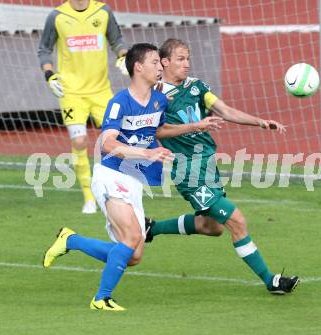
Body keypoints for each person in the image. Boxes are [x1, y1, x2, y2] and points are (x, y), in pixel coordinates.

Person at [42, 43, 223, 311]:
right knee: (131, 237)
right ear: (138, 67)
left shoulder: (159, 100)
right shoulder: (119, 102)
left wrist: (194, 126)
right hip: (111, 174)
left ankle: (71, 240)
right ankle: (101, 299)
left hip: (134, 181)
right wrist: (145, 154)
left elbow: (159, 130)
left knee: (134, 255)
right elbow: (108, 143)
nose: (159, 67)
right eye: (154, 62)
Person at [148, 38, 299, 295]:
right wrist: (196, 126)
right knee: (236, 220)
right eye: (181, 59)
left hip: (208, 166)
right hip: (188, 171)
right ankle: (271, 280)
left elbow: (225, 110)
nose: (187, 64)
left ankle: (151, 228)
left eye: (188, 58)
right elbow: (159, 132)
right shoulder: (156, 96)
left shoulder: (197, 87)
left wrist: (260, 122)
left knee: (212, 227)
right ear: (165, 62)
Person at [37, 0, 128, 214]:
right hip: (71, 93)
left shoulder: (103, 11)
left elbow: (117, 40)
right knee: (79, 141)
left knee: (117, 140)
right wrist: (49, 74)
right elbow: (44, 50)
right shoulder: (57, 16)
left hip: (101, 92)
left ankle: (118, 189)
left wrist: (124, 56)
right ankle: (89, 196)